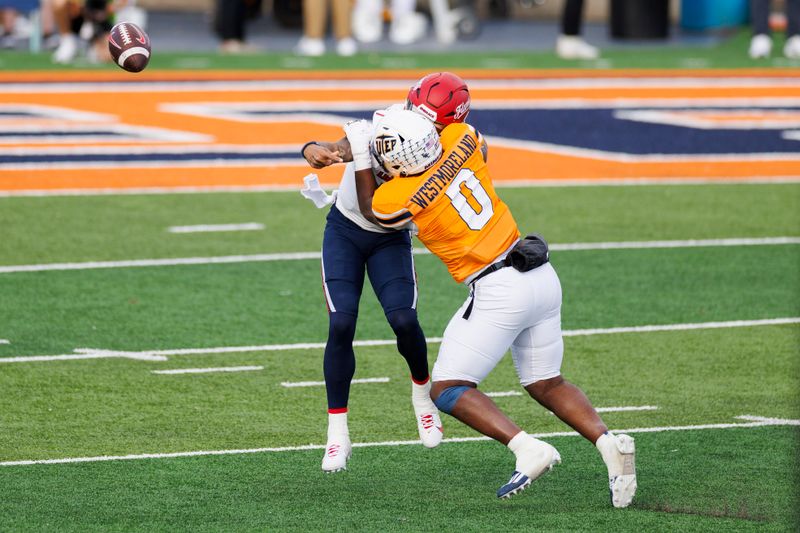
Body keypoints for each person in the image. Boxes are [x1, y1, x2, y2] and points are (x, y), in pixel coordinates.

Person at [343, 109, 637, 506]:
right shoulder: (461, 138)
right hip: (539, 272)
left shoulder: (401, 194)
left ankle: (526, 448)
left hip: (499, 287)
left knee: (447, 389)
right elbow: (465, 139)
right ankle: (608, 445)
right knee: (546, 382)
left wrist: (361, 155)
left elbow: (370, 207)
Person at [299, 72, 471, 473]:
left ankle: (422, 396)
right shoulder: (391, 121)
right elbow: (342, 147)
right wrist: (317, 149)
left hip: (389, 236)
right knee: (341, 324)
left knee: (404, 319)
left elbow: (381, 210)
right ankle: (336, 434)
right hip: (344, 229)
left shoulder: (448, 151)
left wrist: (359, 156)